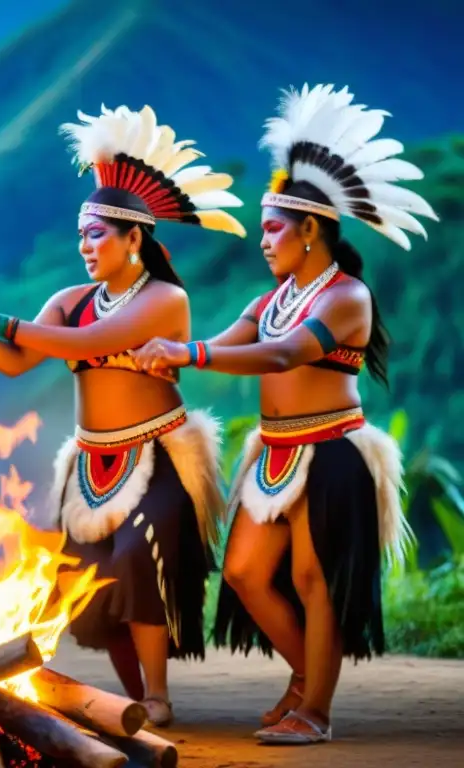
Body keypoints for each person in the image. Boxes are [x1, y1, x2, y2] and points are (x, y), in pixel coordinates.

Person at [133, 83, 437, 744]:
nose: (263, 240)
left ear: (310, 229)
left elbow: (280, 358)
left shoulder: (347, 298)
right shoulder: (271, 297)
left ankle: (317, 713)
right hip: (274, 451)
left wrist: (186, 352)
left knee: (313, 577)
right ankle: (308, 678)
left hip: (331, 450)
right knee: (242, 572)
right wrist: (162, 355)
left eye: (273, 227)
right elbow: (231, 342)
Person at [0, 103, 247, 726]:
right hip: (89, 461)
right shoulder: (69, 299)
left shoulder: (166, 299)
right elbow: (16, 361)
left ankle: (158, 693)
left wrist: (0, 319)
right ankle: (134, 692)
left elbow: (86, 345)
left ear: (134, 238)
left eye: (97, 235)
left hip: (158, 454)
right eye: (81, 235)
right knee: (88, 582)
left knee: (138, 558)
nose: (85, 246)